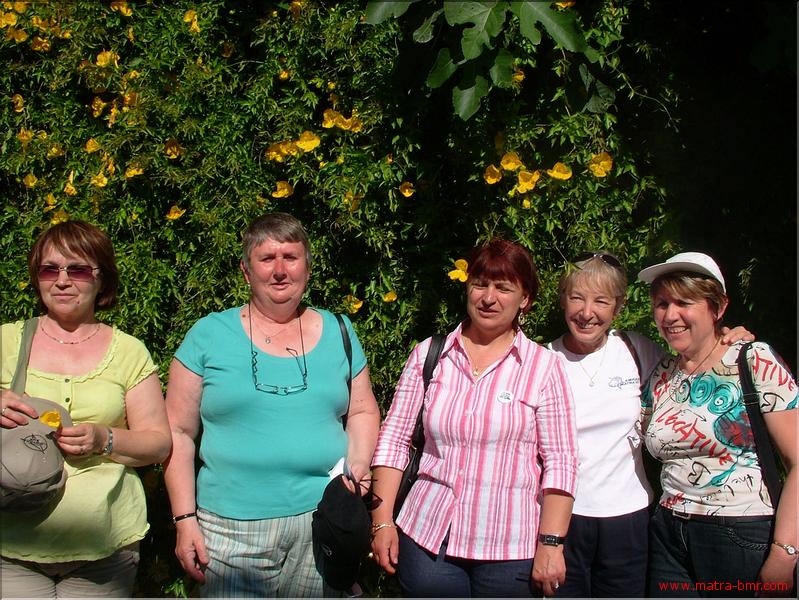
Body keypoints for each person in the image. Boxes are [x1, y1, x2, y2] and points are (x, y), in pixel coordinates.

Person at [163, 212, 381, 597]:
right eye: (267, 259)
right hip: (231, 531)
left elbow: (362, 410)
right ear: (247, 272)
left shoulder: (340, 330)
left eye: (291, 258)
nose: (280, 271)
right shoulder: (208, 334)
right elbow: (178, 433)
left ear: (307, 269)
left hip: (323, 523)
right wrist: (184, 519)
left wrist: (359, 463)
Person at [369, 238, 578, 598]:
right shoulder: (430, 355)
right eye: (480, 283)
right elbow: (394, 440)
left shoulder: (544, 367)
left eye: (503, 288)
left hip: (511, 550)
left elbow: (561, 460)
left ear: (524, 299)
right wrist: (382, 521)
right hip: (429, 541)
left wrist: (551, 543)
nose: (488, 297)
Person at [548, 252, 754, 598]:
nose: (587, 313)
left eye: (601, 300)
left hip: (629, 517)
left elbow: (692, 369)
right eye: (576, 298)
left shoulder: (635, 349)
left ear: (618, 306)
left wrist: (727, 338)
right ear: (562, 300)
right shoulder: (544, 360)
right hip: (565, 516)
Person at [0, 220, 172, 598]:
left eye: (77, 269)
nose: (62, 280)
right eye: (50, 269)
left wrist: (104, 439)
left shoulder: (129, 352)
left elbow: (159, 444)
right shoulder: (6, 340)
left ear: (102, 280)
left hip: (105, 546)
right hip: (10, 544)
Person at [638, 252, 797, 597]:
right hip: (667, 534)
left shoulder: (752, 360)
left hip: (739, 535)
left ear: (718, 307)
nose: (670, 315)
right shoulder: (662, 373)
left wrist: (785, 553)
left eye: (684, 302)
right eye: (662, 303)